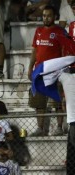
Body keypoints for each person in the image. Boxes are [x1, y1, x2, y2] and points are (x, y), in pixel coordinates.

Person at [28, 6, 75, 136]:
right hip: (40, 71)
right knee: (39, 103)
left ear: (54, 17)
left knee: (58, 101)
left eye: (48, 15)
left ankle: (59, 127)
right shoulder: (38, 30)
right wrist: (30, 68)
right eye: (43, 15)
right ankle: (40, 128)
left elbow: (67, 50)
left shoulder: (60, 31)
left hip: (56, 72)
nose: (46, 18)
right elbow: (34, 51)